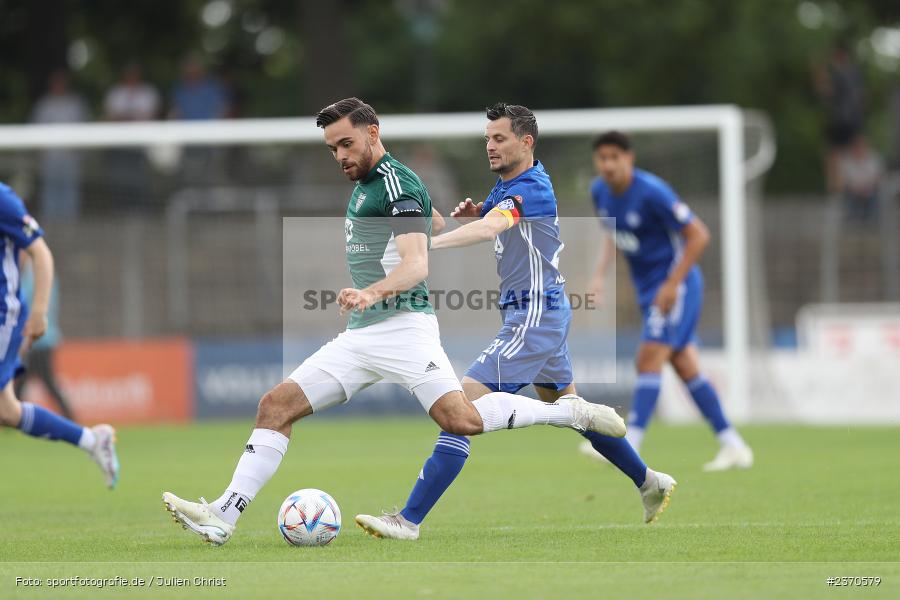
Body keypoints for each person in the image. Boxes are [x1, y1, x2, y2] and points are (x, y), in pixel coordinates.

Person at [162, 98, 625, 546]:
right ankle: (223, 514)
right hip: (362, 336)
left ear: (372, 133)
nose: (340, 156)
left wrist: (371, 291)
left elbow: (416, 265)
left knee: (460, 418)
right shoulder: (372, 185)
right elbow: (429, 227)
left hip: (405, 328)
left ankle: (566, 412)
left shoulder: (397, 184)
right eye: (332, 149)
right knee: (275, 406)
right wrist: (443, 225)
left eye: (345, 144)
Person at [354, 104, 676, 541]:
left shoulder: (530, 188)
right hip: (539, 314)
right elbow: (496, 217)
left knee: (459, 408)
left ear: (526, 142)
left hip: (535, 316)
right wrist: (479, 209)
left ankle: (408, 520)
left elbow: (491, 229)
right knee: (578, 417)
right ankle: (649, 481)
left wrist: (429, 245)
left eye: (499, 138)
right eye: (487, 138)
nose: (490, 145)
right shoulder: (512, 184)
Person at [585, 131, 753, 471]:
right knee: (685, 365)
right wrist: (599, 276)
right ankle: (732, 444)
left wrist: (673, 284)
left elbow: (698, 234)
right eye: (603, 158)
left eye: (615, 157)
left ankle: (628, 442)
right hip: (650, 290)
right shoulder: (599, 191)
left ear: (629, 159)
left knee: (648, 358)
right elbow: (612, 234)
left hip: (676, 286)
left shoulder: (652, 192)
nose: (608, 165)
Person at [0, 182, 119, 488]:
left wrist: (39, 311)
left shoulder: (3, 200)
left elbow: (41, 253)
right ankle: (92, 439)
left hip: (4, 317)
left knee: (26, 395)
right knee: (7, 410)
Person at [14, 256, 73, 419]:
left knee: (43, 382)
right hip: (43, 338)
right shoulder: (43, 274)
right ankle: (12, 417)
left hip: (38, 339)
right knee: (24, 381)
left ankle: (70, 417)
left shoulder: (32, 276)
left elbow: (25, 306)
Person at [30, 70, 89, 219]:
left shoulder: (76, 104)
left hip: (70, 159)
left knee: (70, 194)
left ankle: (69, 228)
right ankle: (51, 227)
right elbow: (35, 130)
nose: (59, 86)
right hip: (50, 158)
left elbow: (85, 129)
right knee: (50, 193)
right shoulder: (43, 105)